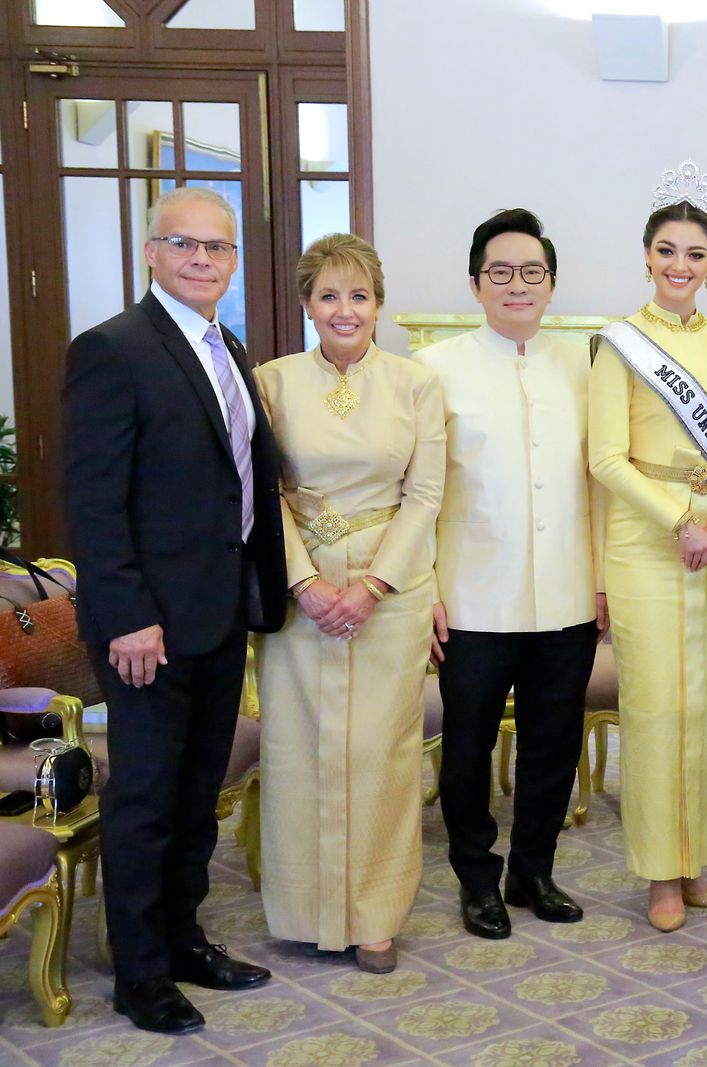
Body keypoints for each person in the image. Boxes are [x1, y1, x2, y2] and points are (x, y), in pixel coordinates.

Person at [62, 186, 287, 1033]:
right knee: (148, 796)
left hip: (221, 611)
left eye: (217, 248)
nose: (202, 259)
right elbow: (94, 499)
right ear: (150, 252)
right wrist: (124, 614)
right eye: (184, 245)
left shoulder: (225, 344)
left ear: (232, 260)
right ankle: (140, 971)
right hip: (146, 624)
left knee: (198, 790)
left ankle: (184, 936)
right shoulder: (113, 350)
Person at [254, 233, 444, 973]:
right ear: (307, 304)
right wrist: (306, 582)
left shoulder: (415, 384)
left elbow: (426, 494)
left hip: (389, 592)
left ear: (378, 304)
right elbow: (262, 493)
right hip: (299, 588)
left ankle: (375, 915)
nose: (345, 309)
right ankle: (305, 910)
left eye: (358, 295)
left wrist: (369, 586)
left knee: (379, 753)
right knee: (299, 748)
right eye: (329, 295)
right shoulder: (270, 382)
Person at [416, 209, 605, 939]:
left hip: (565, 591)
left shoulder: (584, 367)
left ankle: (534, 868)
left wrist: (602, 580)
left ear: (551, 284)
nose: (517, 284)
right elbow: (422, 491)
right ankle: (476, 876)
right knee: (467, 746)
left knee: (555, 740)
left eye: (532, 272)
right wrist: (428, 587)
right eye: (501, 271)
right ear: (475, 282)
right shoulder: (435, 369)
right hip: (472, 596)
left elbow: (598, 482)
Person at [589, 188, 707, 933]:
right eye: (667, 251)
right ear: (647, 256)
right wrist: (680, 518)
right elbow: (605, 458)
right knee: (654, 709)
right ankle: (658, 872)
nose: (679, 264)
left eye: (695, 254)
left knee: (704, 709)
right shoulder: (618, 342)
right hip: (647, 542)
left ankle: (695, 861)